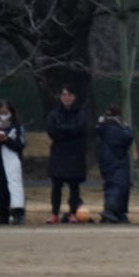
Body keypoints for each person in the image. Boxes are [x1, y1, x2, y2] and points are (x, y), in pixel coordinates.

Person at [46, 85, 87, 224]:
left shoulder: (80, 113)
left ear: (74, 97)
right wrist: (69, 131)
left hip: (75, 154)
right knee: (56, 185)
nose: (66, 97)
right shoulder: (54, 114)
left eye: (69, 94)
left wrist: (61, 128)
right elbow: (52, 132)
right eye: (64, 94)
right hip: (58, 153)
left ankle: (73, 213)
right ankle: (54, 213)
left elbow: (79, 129)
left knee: (74, 186)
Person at [96, 104, 134, 223]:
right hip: (116, 161)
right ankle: (111, 209)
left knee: (113, 185)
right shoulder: (115, 129)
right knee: (118, 185)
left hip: (107, 162)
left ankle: (118, 212)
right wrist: (126, 127)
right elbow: (128, 138)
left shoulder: (102, 128)